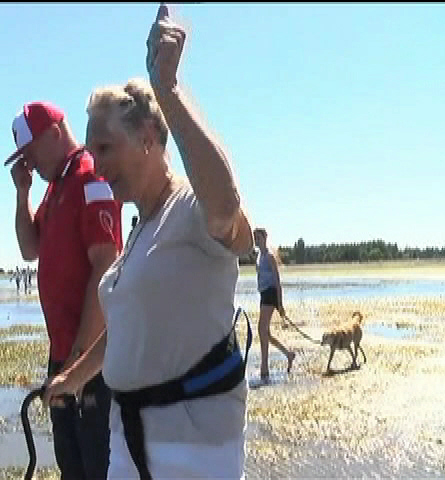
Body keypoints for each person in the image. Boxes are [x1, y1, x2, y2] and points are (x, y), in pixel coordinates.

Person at [43, 5, 254, 478]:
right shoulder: (140, 229)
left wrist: (169, 90)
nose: (94, 165)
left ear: (146, 138)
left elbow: (227, 207)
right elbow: (128, 325)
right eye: (90, 151)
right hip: (128, 442)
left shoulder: (192, 208)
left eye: (104, 148)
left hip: (193, 453)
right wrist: (73, 378)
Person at [4, 100, 123, 479]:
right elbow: (28, 249)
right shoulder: (56, 186)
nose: (30, 164)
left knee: (97, 468)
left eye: (31, 152)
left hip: (90, 363)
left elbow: (106, 264)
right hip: (65, 359)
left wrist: (77, 362)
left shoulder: (90, 177)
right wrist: (22, 192)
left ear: (54, 135)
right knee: (72, 466)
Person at [253, 227, 296, 380]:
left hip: (271, 294)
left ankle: (264, 368)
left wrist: (280, 304)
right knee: (265, 332)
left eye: (259, 238)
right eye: (255, 238)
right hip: (264, 294)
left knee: (261, 329)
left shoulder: (270, 256)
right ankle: (288, 354)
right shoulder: (259, 256)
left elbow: (277, 281)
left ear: (265, 238)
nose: (257, 241)